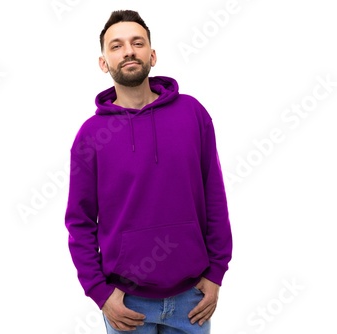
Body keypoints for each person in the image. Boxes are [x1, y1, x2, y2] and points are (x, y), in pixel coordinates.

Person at [65, 10, 233, 334]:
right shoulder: (90, 136)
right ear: (104, 63)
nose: (128, 51)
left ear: (152, 55)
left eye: (137, 42)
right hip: (126, 302)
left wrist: (216, 274)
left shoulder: (192, 114)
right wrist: (100, 294)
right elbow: (80, 222)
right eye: (116, 46)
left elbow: (215, 196)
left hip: (192, 299)